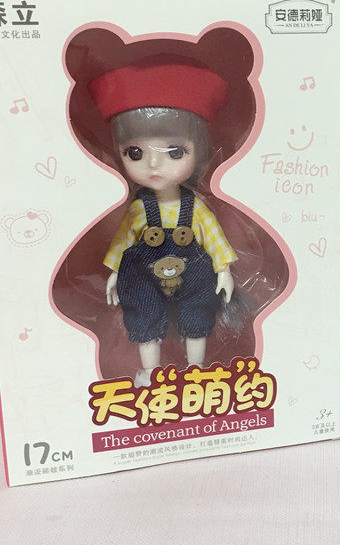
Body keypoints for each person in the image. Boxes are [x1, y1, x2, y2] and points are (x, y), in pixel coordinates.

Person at [88, 54, 237, 387]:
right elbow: (124, 239)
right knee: (143, 313)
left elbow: (213, 236)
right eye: (136, 153)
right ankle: (152, 373)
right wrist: (115, 272)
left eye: (174, 152)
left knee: (198, 311)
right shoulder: (139, 210)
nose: (154, 165)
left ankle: (196, 369)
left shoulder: (195, 208)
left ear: (199, 150)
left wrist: (223, 270)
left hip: (193, 273)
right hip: (144, 274)